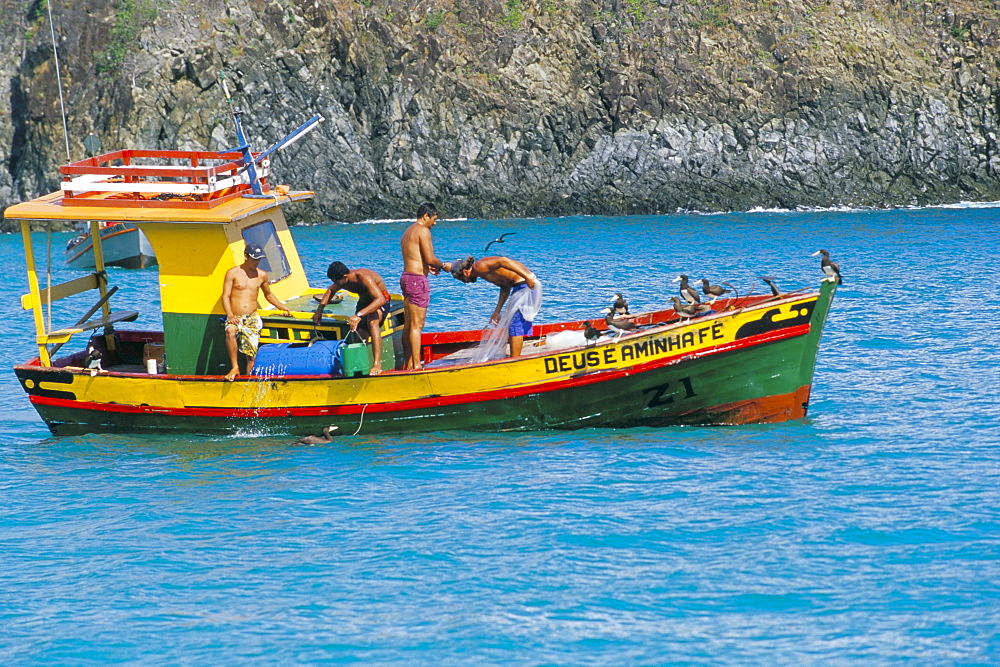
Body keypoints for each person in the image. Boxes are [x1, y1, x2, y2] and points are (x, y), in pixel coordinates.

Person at [222, 242, 291, 381]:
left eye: (259, 259)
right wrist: (230, 315)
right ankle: (234, 367)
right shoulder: (233, 273)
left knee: (251, 356)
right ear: (246, 256)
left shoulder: (262, 275)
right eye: (254, 258)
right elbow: (225, 296)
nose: (257, 261)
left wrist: (282, 307)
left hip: (252, 317)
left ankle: (248, 381)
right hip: (235, 316)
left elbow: (268, 295)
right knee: (230, 331)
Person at [448, 255, 540, 358]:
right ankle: (515, 357)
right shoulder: (482, 273)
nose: (465, 282)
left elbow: (503, 260)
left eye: (462, 279)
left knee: (515, 325)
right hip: (520, 286)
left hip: (525, 285)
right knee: (513, 325)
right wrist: (497, 311)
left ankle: (515, 360)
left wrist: (526, 276)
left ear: (465, 272)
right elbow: (505, 287)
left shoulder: (479, 267)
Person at [313, 261, 390, 376]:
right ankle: (358, 363)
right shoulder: (342, 281)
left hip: (380, 301)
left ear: (345, 277)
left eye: (336, 281)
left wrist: (359, 315)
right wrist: (319, 310)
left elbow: (380, 300)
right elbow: (331, 290)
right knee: (357, 330)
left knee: (372, 321)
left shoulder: (363, 277)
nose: (336, 284)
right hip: (364, 303)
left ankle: (377, 363)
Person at [399, 202, 446, 370]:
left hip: (406, 277)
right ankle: (417, 365)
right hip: (417, 281)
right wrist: (444, 266)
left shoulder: (408, 232)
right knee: (417, 325)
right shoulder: (423, 231)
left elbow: (416, 257)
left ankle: (409, 363)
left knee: (409, 324)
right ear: (426, 216)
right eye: (434, 218)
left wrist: (428, 267)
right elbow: (431, 258)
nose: (435, 223)